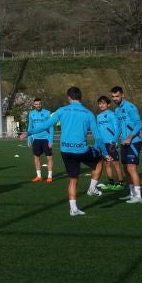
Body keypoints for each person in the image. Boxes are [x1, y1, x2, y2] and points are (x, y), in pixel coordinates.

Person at [26, 87, 112, 216]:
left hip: (65, 150)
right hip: (81, 150)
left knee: (73, 179)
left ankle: (74, 209)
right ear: (80, 97)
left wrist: (29, 132)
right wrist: (105, 153)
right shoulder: (88, 113)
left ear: (69, 97)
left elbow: (46, 125)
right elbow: (98, 137)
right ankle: (92, 188)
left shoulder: (61, 110)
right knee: (99, 161)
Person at [111, 86, 142, 204]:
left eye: (117, 96)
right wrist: (114, 141)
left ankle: (138, 196)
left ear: (122, 95)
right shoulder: (117, 110)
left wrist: (130, 137)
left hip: (134, 142)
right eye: (113, 96)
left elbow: (139, 124)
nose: (115, 98)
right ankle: (131, 194)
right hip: (124, 142)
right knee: (126, 169)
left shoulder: (130, 107)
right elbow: (119, 128)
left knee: (131, 168)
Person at [96, 96, 124, 190]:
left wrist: (114, 141)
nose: (101, 105)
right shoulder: (98, 116)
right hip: (102, 144)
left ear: (108, 104)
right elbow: (98, 131)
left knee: (115, 163)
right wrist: (98, 143)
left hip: (111, 143)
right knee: (107, 164)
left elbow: (117, 129)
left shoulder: (112, 115)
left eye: (103, 103)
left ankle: (120, 184)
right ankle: (111, 183)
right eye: (100, 103)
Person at [25, 98, 55, 183]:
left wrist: (50, 140)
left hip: (46, 139)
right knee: (36, 157)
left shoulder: (47, 113)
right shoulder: (31, 114)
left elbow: (51, 126)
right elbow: (30, 126)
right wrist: (29, 138)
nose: (38, 105)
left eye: (39, 104)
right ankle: (39, 176)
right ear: (34, 105)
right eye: (36, 104)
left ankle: (49, 176)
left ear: (41, 104)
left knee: (49, 158)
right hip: (36, 139)